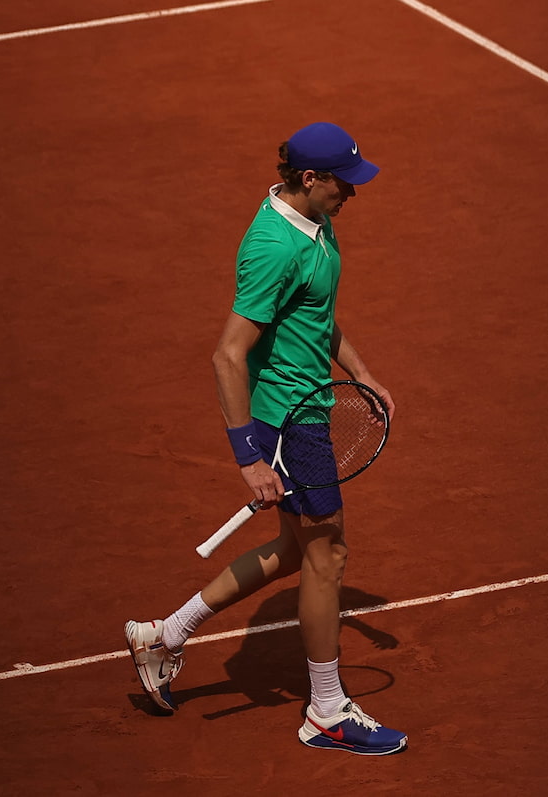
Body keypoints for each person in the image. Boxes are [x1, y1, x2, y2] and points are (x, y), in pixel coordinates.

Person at [124, 122, 406, 756]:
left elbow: (317, 315)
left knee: (295, 547)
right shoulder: (275, 247)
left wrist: (361, 375)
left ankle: (166, 634)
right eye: (344, 183)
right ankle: (326, 710)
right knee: (326, 555)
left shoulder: (315, 221)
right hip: (289, 419)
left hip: (308, 406)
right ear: (310, 179)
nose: (353, 195)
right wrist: (249, 456)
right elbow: (227, 356)